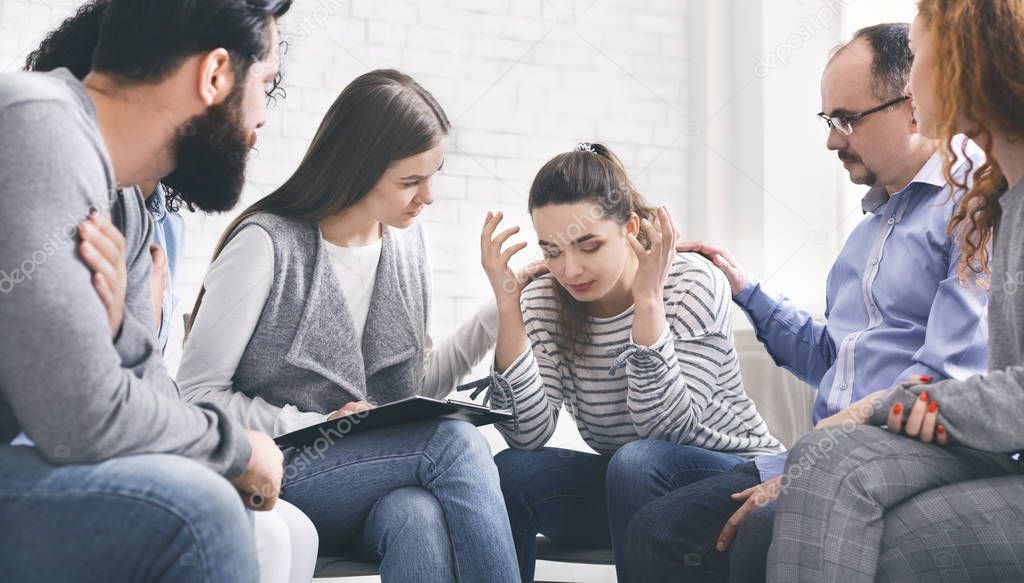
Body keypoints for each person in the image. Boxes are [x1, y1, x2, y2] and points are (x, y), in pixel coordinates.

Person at [624, 23, 990, 583]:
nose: (832, 140)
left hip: (904, 449)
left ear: (913, 106)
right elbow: (831, 359)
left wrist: (809, 469)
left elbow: (939, 383)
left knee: (758, 533)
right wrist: (747, 291)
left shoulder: (968, 214)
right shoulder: (865, 236)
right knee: (653, 513)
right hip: (827, 449)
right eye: (828, 120)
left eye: (847, 119)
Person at [179, 69, 521, 583]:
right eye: (410, 181)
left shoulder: (408, 246)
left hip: (372, 480)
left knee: (417, 516)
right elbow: (197, 396)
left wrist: (500, 308)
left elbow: (414, 389)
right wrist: (318, 424)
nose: (427, 196)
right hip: (280, 470)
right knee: (457, 443)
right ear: (357, 167)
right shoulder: (266, 245)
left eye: (434, 175)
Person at [20, 3, 320, 581]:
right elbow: (79, 423)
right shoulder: (39, 129)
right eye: (266, 84)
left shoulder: (126, 202)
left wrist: (119, 338)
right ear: (213, 76)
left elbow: (147, 389)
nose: (264, 116)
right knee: (197, 509)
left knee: (245, 511)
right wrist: (239, 449)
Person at [768, 2, 1024, 580]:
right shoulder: (1001, 198)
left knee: (838, 478)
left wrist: (880, 406)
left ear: (967, 60)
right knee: (832, 472)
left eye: (921, 53)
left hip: (994, 455)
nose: (911, 79)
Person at [477, 142, 783, 583]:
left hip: (731, 479)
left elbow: (666, 430)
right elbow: (527, 434)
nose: (571, 270)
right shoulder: (546, 298)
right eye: (552, 251)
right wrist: (510, 308)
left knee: (636, 462)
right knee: (511, 472)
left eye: (588, 245)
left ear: (630, 227)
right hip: (631, 485)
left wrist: (647, 301)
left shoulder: (691, 281)